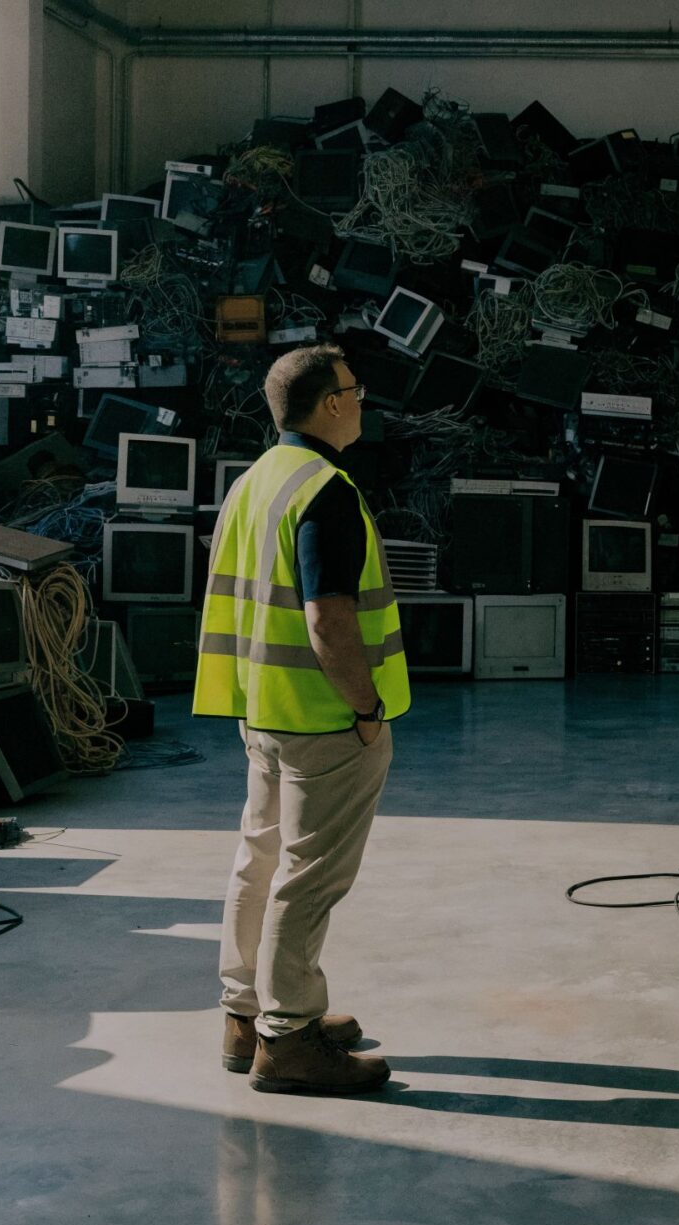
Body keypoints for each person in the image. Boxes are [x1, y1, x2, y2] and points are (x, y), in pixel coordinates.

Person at [194, 343, 410, 1095]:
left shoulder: (254, 483)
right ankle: (287, 1042)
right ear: (329, 405)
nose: (362, 402)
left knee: (259, 862)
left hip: (262, 713)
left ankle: (246, 1015)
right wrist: (366, 709)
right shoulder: (326, 490)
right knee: (307, 879)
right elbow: (328, 620)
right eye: (355, 391)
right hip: (324, 721)